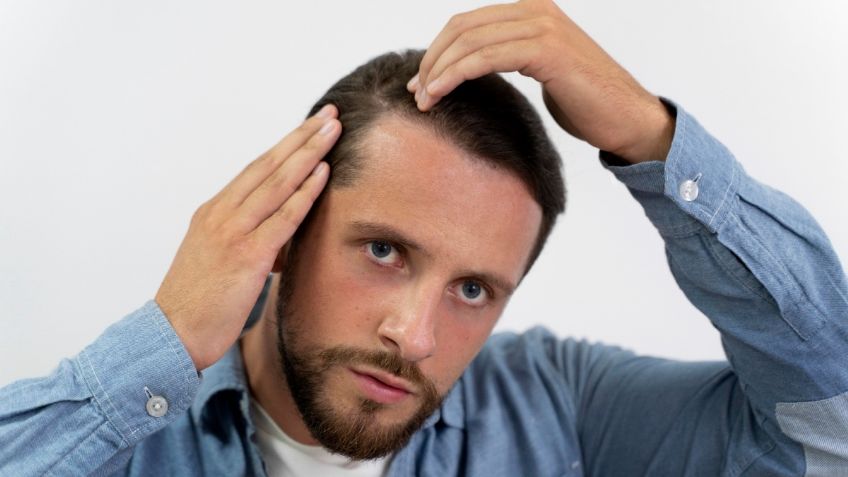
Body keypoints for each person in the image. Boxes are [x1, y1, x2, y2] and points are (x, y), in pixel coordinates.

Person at [2, 0, 846, 475]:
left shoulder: (561, 406)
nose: (415, 333)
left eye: (473, 289)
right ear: (288, 227)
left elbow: (827, 427)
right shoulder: (127, 428)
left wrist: (652, 139)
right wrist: (172, 338)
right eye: (384, 250)